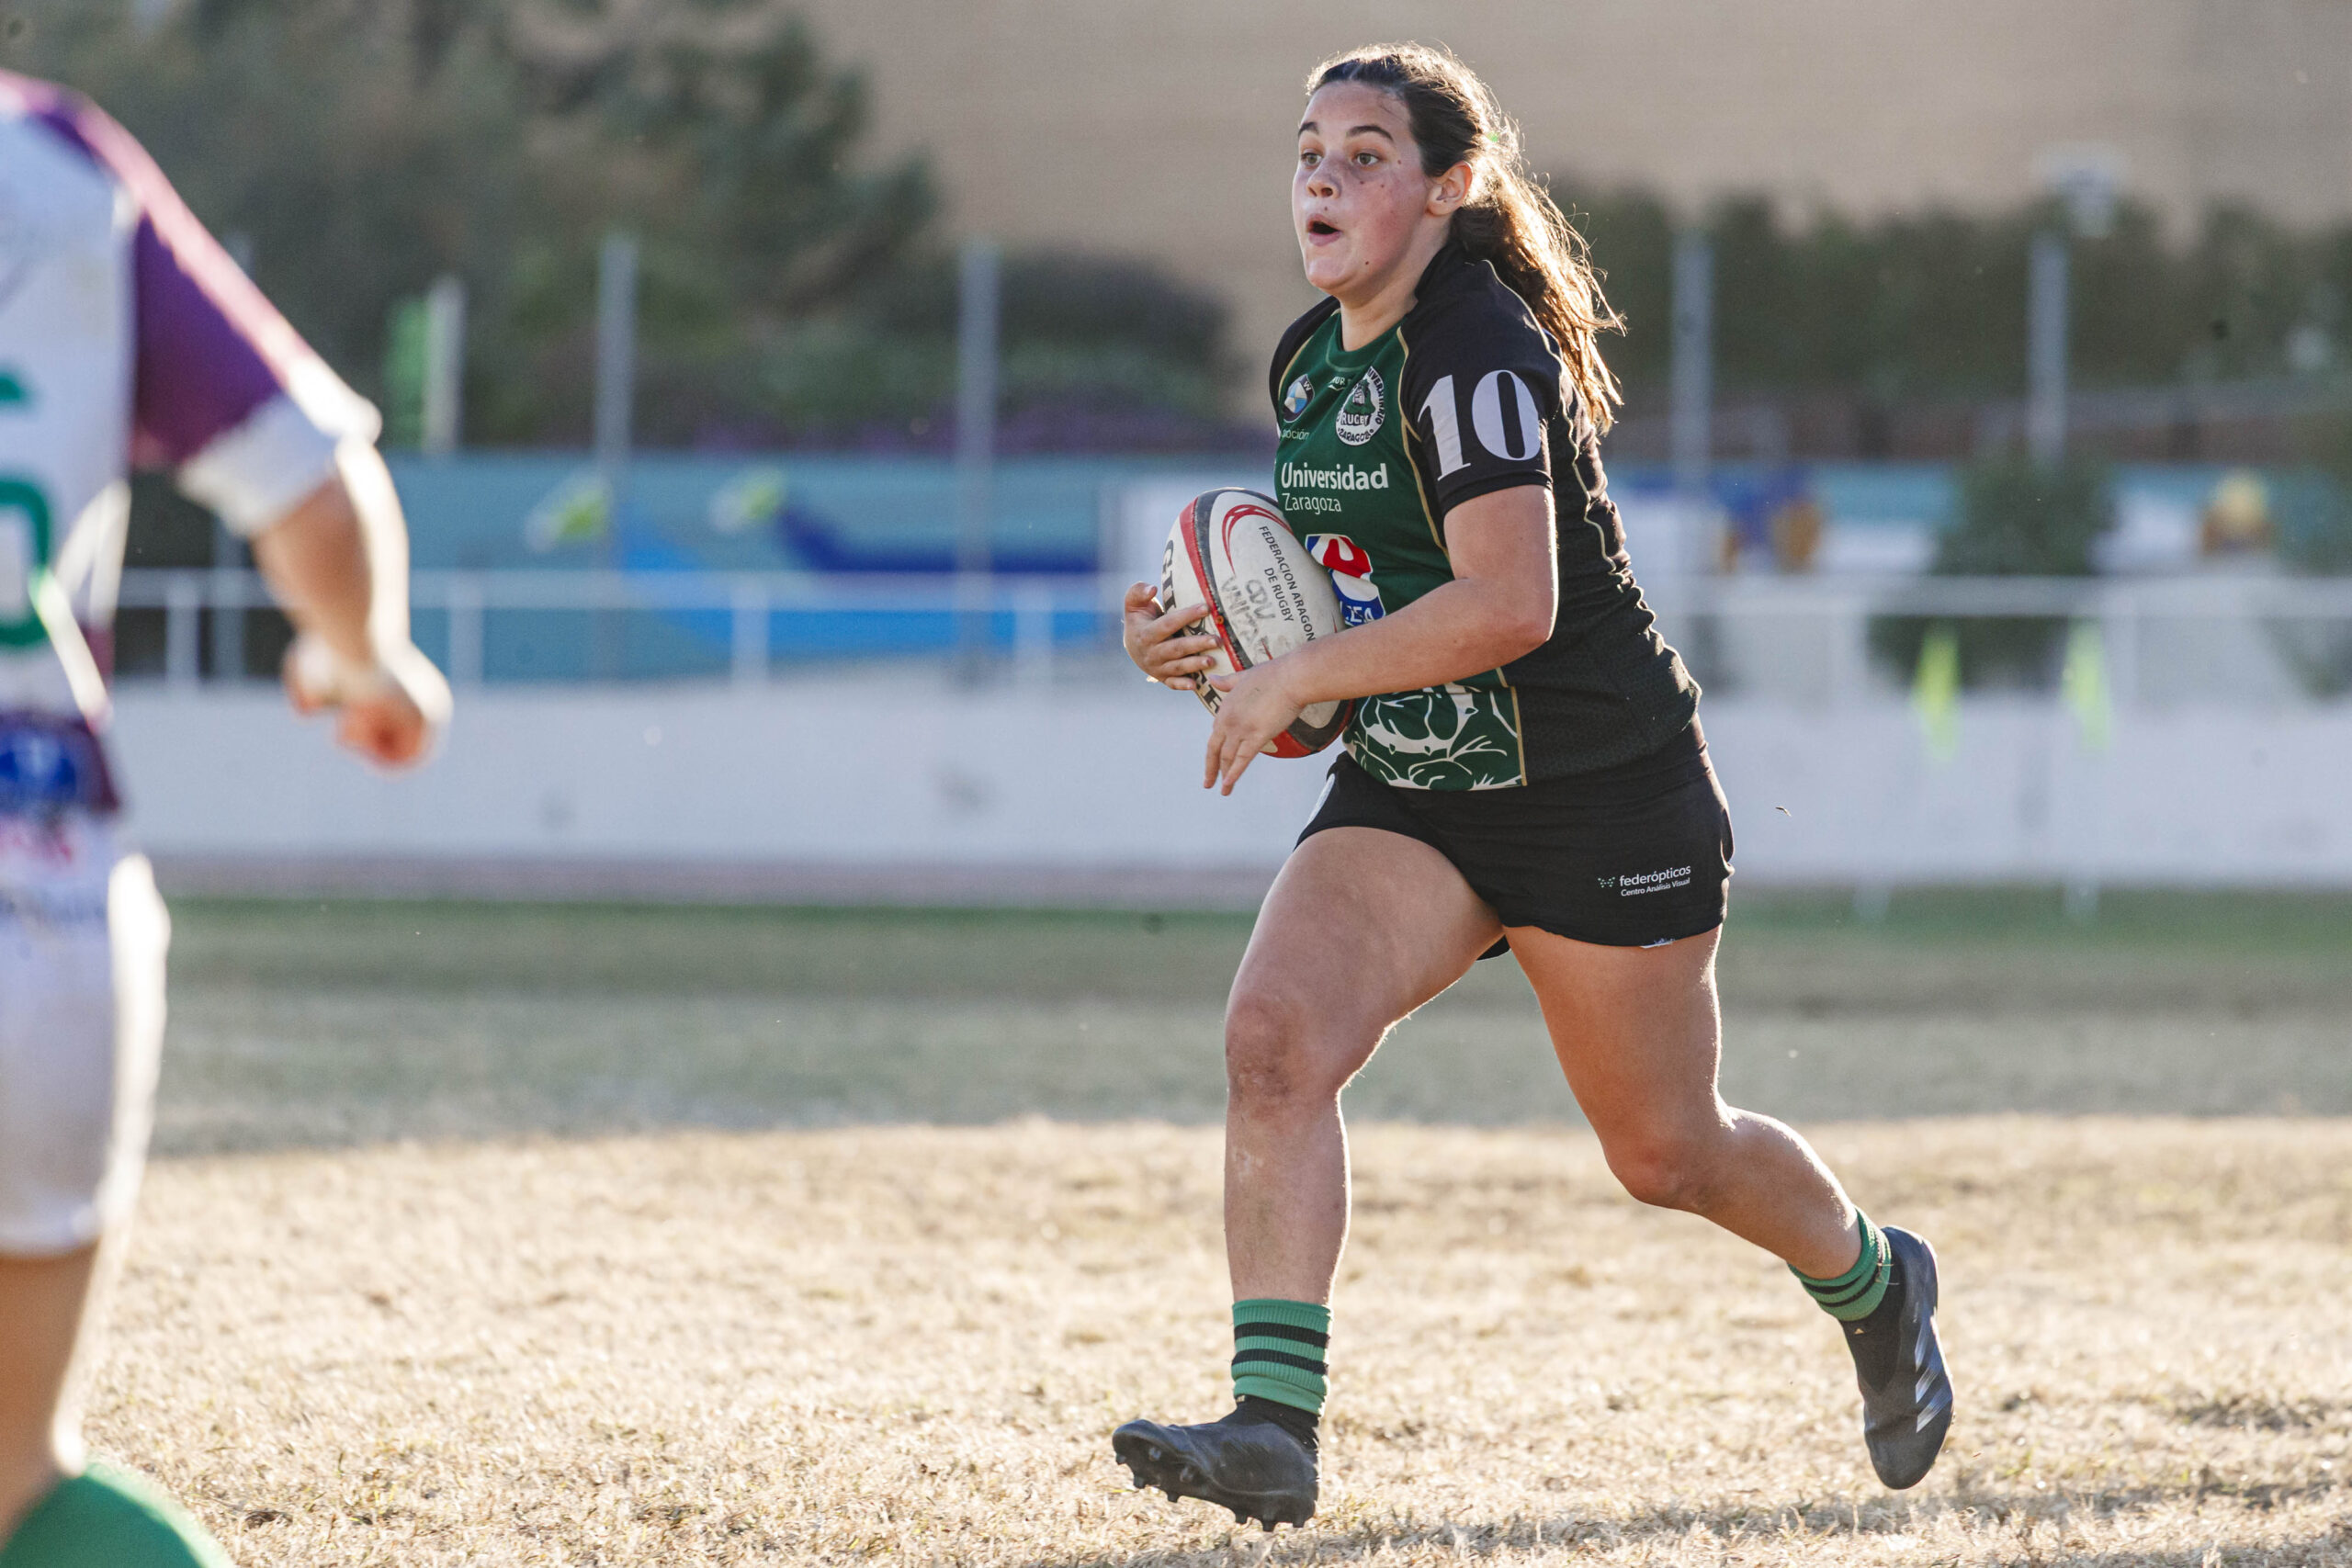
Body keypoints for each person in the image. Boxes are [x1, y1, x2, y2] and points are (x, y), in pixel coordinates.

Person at [1112, 43, 1951, 1530]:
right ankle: (1274, 1428)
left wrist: (1296, 678)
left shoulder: (1477, 353)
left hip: (1599, 791)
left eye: (1367, 154)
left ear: (1450, 188)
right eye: (1308, 152)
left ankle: (1878, 1282)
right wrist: (1197, 641)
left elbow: (1512, 603)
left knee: (1667, 1153)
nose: (1321, 177)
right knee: (1273, 1045)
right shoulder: (1313, 357)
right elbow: (1342, 596)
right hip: (1425, 787)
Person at [0, 73, 449, 1566]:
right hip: (34, 885)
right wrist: (366, 659)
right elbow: (314, 495)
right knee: (17, 1487)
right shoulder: (55, 172)